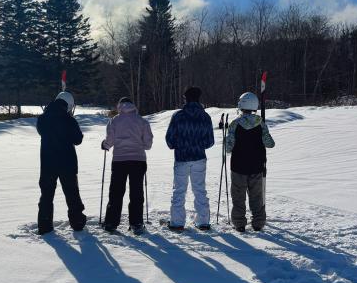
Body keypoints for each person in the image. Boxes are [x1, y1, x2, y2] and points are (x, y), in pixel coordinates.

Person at [36, 91, 87, 235]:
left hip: (47, 163)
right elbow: (78, 139)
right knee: (72, 194)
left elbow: (41, 131)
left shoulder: (43, 118)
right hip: (67, 163)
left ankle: (44, 226)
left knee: (46, 195)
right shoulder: (69, 120)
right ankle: (77, 222)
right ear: (69, 105)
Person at [164, 86, 215, 231]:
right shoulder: (205, 116)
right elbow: (210, 141)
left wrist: (179, 145)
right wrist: (198, 145)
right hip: (199, 157)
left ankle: (177, 222)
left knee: (179, 190)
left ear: (186, 99)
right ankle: (203, 222)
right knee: (200, 190)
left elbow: (169, 139)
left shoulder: (178, 116)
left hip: (182, 158)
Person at [101, 97, 154, 234]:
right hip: (138, 160)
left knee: (116, 192)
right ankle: (136, 223)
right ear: (133, 106)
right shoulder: (142, 121)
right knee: (136, 192)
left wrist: (105, 145)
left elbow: (110, 140)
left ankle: (111, 223)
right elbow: (148, 144)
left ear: (120, 106)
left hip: (119, 161)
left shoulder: (114, 120)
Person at [225, 92, 275, 232]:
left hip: (238, 166)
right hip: (257, 166)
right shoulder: (261, 124)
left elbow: (228, 148)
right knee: (256, 196)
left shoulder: (235, 124)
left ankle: (239, 223)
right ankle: (258, 223)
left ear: (241, 105)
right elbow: (270, 144)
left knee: (238, 196)